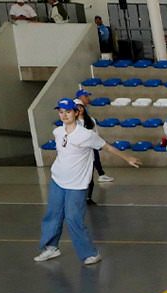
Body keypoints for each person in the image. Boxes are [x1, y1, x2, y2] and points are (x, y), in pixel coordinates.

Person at [35, 99, 140, 264]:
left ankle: (91, 253)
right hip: (58, 179)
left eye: (68, 111)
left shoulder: (87, 135)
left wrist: (127, 158)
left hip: (77, 184)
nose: (64, 115)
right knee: (52, 215)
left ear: (76, 112)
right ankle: (51, 248)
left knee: (72, 218)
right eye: (61, 112)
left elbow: (107, 147)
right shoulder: (57, 132)